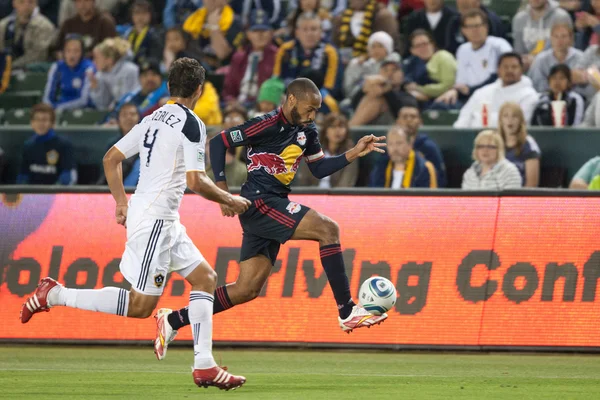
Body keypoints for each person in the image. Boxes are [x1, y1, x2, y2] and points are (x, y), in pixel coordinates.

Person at [19, 58, 250, 390]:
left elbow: (111, 158)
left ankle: (204, 366)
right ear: (199, 90)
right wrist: (230, 199)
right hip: (155, 220)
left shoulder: (151, 118)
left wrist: (121, 202)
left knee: (205, 278)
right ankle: (55, 294)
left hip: (161, 218)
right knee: (141, 306)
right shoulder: (193, 123)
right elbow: (197, 181)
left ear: (170, 87)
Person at [152, 78, 389, 360]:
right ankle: (347, 311)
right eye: (310, 109)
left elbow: (319, 168)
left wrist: (352, 153)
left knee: (246, 289)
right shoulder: (265, 124)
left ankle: (172, 320)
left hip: (274, 202)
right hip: (259, 201)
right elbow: (219, 142)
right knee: (328, 229)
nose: (313, 115)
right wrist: (222, 191)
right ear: (291, 100)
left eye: (316, 110)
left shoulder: (307, 131)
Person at [435, 9, 512, 109]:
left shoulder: (499, 45)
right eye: (470, 27)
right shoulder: (462, 50)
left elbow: (501, 77)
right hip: (469, 98)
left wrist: (471, 90)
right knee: (439, 105)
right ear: (463, 31)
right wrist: (454, 91)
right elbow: (461, 84)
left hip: (494, 97)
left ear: (486, 27)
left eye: (478, 26)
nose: (475, 30)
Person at [453, 52, 540, 128]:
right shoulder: (482, 92)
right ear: (498, 70)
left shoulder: (529, 95)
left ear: (521, 70)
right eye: (505, 67)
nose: (509, 70)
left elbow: (519, 124)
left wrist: (480, 120)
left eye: (514, 67)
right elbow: (463, 119)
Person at [273, 12, 343, 98]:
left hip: (319, 100)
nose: (309, 33)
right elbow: (275, 80)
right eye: (305, 29)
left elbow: (331, 88)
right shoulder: (285, 50)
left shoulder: (330, 52)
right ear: (297, 32)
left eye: (313, 29)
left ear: (321, 31)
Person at [222, 9, 279, 108]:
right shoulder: (239, 57)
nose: (259, 35)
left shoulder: (278, 56)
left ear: (271, 33)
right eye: (255, 31)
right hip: (239, 104)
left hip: (264, 106)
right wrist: (231, 100)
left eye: (264, 30)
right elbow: (228, 89)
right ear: (248, 34)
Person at [16, 104, 77, 185]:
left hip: (55, 195)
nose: (40, 123)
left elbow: (68, 175)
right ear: (32, 123)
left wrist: (53, 193)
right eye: (37, 120)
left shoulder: (64, 145)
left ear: (52, 123)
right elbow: (23, 175)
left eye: (44, 120)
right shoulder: (28, 146)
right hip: (31, 195)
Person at [295, 113, 359, 187]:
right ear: (325, 131)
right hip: (312, 195)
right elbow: (303, 179)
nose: (337, 130)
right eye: (332, 127)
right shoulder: (313, 150)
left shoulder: (351, 153)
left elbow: (346, 184)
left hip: (336, 197)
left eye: (341, 126)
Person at [182, 0, 244, 70]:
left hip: (226, 72)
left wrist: (214, 26)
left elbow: (222, 54)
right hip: (197, 71)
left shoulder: (235, 22)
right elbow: (187, 50)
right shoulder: (193, 20)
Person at [402, 29, 457, 107]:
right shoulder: (412, 63)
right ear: (412, 50)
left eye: (425, 44)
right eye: (418, 46)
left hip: (446, 100)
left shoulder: (443, 56)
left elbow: (448, 86)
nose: (423, 48)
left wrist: (418, 89)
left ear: (432, 44)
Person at [512, 0, 572, 71]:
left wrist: (537, 60)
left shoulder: (561, 17)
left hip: (554, 67)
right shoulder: (519, 19)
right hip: (527, 68)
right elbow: (518, 51)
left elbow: (566, 50)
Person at [369, 126, 437, 188]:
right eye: (390, 144)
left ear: (410, 144)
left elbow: (428, 199)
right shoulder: (381, 165)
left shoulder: (424, 168)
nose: (394, 148)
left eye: (399, 143)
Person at [332, 0, 399, 63]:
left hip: (376, 62)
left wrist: (366, 57)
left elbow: (387, 46)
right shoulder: (341, 17)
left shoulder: (383, 15)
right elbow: (335, 43)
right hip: (347, 61)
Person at [396, 105, 447, 187]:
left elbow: (440, 178)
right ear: (397, 121)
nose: (409, 120)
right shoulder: (390, 148)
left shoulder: (429, 147)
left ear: (420, 121)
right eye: (404, 117)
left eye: (413, 117)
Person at [343, 31, 401, 102]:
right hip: (360, 97)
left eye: (380, 46)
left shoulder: (393, 62)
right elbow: (349, 89)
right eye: (373, 46)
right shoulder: (362, 64)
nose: (376, 50)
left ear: (388, 48)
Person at [43, 34, 95, 111]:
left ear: (82, 53)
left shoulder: (88, 68)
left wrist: (60, 108)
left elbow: (84, 100)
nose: (72, 55)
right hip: (60, 107)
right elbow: (47, 97)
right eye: (68, 50)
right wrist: (49, 106)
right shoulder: (57, 67)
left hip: (83, 110)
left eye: (76, 51)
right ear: (63, 52)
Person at [528, 22, 583, 93]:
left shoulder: (581, 57)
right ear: (551, 38)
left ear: (570, 38)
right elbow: (536, 83)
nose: (559, 40)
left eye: (564, 36)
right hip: (546, 95)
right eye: (556, 36)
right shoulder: (540, 59)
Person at [497, 102, 541, 187]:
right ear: (500, 120)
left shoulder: (528, 144)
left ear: (521, 120)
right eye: (505, 116)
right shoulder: (494, 142)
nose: (510, 120)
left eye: (514, 116)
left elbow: (532, 184)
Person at [97, 103, 142, 186]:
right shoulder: (112, 145)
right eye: (124, 115)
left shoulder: (148, 144)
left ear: (139, 119)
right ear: (118, 120)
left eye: (132, 114)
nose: (129, 118)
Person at [0, 0, 55, 68]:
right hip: (4, 70)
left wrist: (11, 66)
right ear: (14, 3)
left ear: (36, 3)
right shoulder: (4, 25)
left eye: (30, 2)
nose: (26, 6)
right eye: (21, 2)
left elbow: (38, 56)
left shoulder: (44, 26)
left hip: (31, 72)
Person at [90, 37, 140, 111]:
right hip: (116, 114)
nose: (94, 62)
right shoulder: (100, 75)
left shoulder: (130, 70)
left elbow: (131, 98)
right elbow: (103, 105)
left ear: (109, 59)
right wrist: (96, 89)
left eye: (97, 58)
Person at [123, 0, 162, 64]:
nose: (140, 17)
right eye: (137, 13)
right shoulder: (127, 34)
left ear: (150, 15)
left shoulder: (155, 35)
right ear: (132, 15)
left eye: (144, 13)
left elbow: (155, 59)